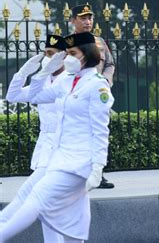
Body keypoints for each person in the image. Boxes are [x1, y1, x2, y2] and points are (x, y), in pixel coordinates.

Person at [0, 32, 114, 243]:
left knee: (35, 199)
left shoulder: (97, 85)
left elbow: (101, 130)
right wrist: (40, 73)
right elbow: (34, 96)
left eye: (72, 53)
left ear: (86, 54)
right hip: (57, 157)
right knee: (71, 225)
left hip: (78, 163)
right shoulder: (68, 82)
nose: (68, 58)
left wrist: (98, 166)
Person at [1, 35, 67, 242]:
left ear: (64, 56)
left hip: (62, 147)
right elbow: (13, 96)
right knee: (50, 208)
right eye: (47, 54)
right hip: (46, 146)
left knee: (28, 194)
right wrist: (23, 73)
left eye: (55, 54)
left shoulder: (69, 80)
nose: (50, 58)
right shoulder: (45, 79)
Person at [71, 3, 115, 189]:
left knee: (99, 132)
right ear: (73, 21)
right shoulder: (68, 43)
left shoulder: (100, 42)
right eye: (83, 18)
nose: (87, 21)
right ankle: (77, 175)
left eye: (90, 18)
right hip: (77, 96)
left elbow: (110, 64)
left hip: (97, 93)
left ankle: (99, 174)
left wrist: (105, 80)